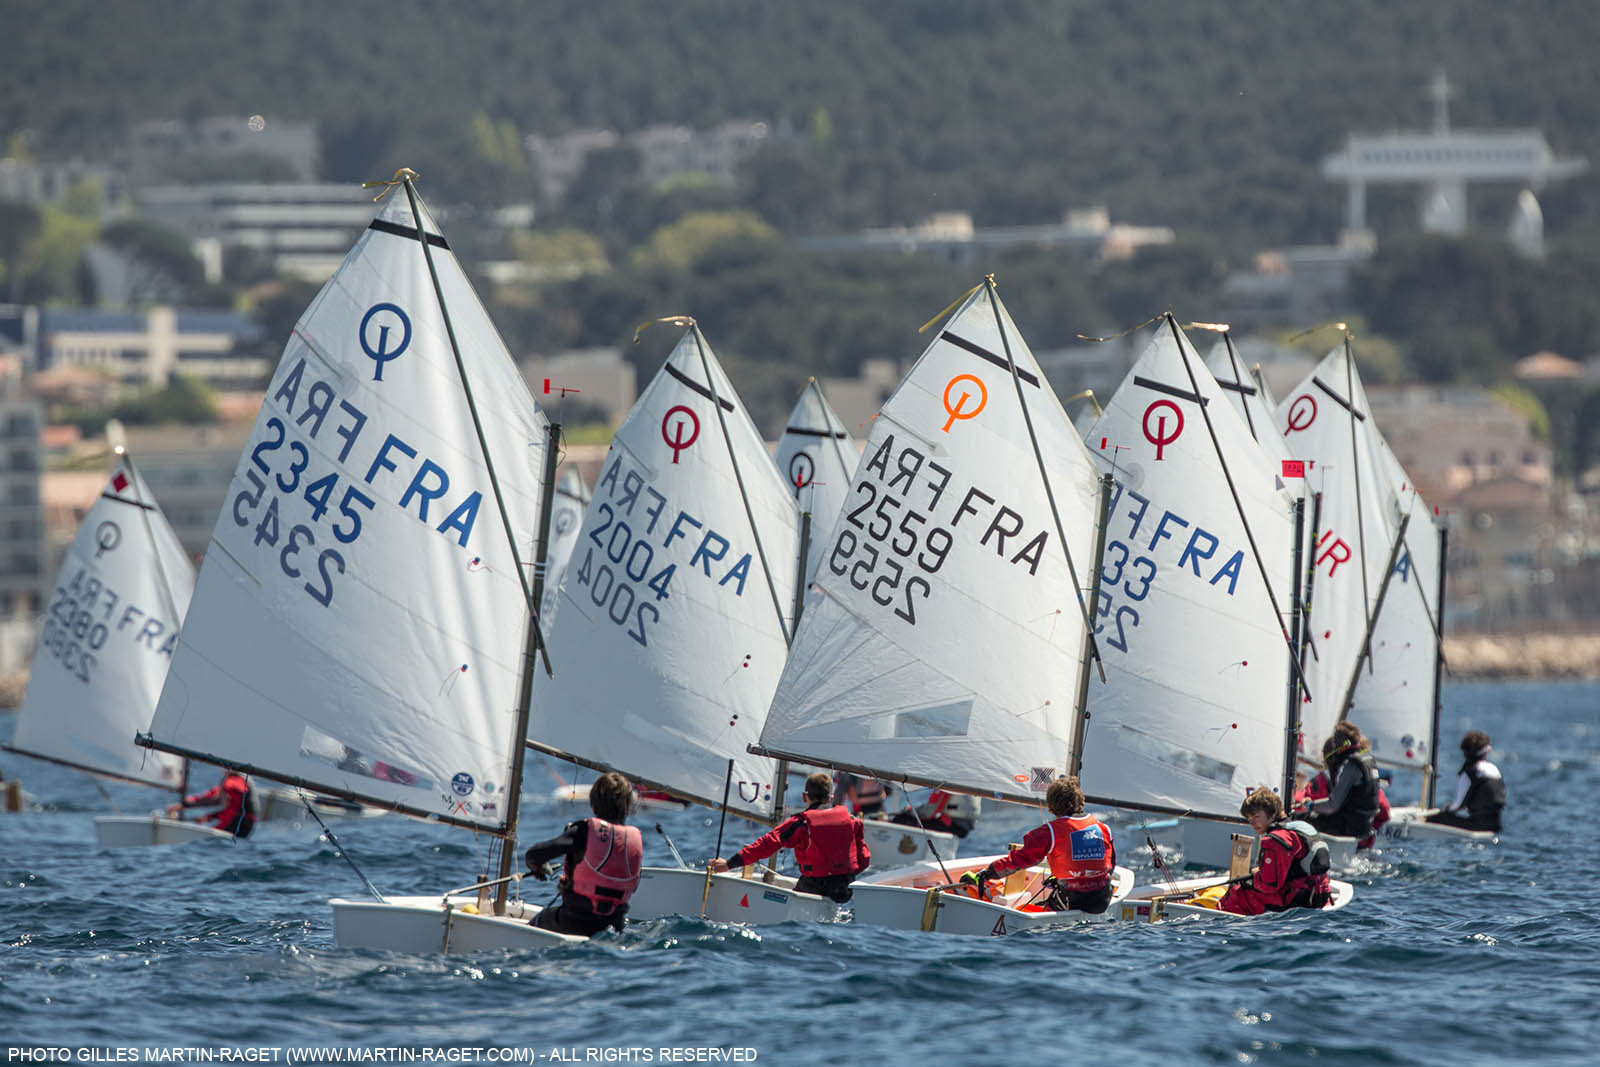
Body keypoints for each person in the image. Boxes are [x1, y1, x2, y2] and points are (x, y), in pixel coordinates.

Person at [708, 771, 870, 902]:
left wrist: (729, 864)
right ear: (831, 797)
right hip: (844, 891)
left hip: (814, 887)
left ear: (804, 797)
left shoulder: (801, 823)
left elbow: (767, 844)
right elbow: (863, 861)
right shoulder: (853, 821)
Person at [964, 775, 1116, 914]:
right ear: (1082, 802)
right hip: (1102, 900)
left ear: (1050, 807)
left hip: (1073, 901)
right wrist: (1062, 879)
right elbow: (1109, 865)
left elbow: (1019, 861)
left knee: (1044, 909)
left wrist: (986, 873)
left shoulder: (1048, 832)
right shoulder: (1104, 829)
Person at [524, 770, 642, 937]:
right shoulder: (633, 840)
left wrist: (539, 868)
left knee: (539, 921)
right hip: (615, 926)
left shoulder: (584, 831)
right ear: (628, 806)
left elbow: (533, 855)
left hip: (575, 921)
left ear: (593, 804)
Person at [1218, 785, 1332, 916]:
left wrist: (1255, 877)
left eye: (1256, 817)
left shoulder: (1274, 840)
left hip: (1299, 900)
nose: (1252, 823)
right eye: (1249, 819)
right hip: (1319, 894)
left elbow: (1269, 886)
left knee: (1237, 892)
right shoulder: (1300, 827)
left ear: (1272, 813)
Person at [1298, 734, 1390, 849]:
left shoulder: (1318, 782)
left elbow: (1300, 802)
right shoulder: (1367, 786)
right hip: (1358, 844)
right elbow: (1384, 811)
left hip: (1325, 844)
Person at [1425, 730, 1506, 832]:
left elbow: (1458, 805)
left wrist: (1443, 811)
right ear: (1485, 752)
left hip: (1478, 826)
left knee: (1438, 818)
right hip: (1495, 827)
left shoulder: (1470, 773)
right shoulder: (1494, 769)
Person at [168, 769, 256, 838]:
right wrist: (185, 805)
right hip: (245, 824)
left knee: (208, 839)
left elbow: (222, 801)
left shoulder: (233, 783)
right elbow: (214, 798)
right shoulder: (238, 781)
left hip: (239, 823)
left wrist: (184, 805)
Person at [890, 787, 978, 838]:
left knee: (902, 819)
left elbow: (931, 810)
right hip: (963, 825)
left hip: (954, 825)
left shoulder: (948, 785)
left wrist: (910, 813)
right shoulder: (958, 783)